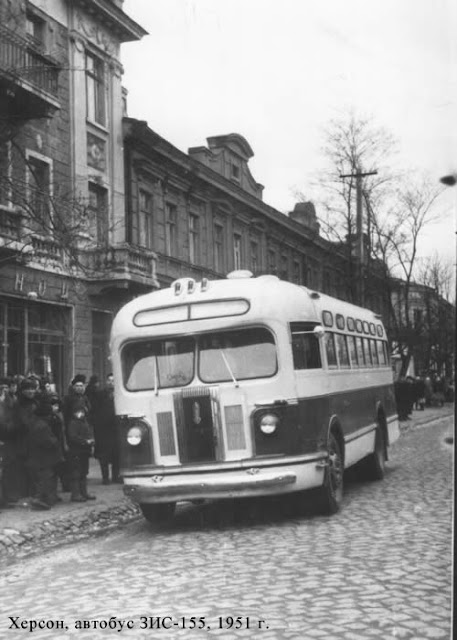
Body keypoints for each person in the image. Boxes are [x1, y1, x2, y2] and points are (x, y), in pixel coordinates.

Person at [1, 378, 38, 504]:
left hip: (34, 439)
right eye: (27, 389)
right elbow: (17, 422)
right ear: (22, 391)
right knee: (20, 468)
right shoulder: (17, 404)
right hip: (21, 440)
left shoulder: (36, 403)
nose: (30, 391)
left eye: (32, 388)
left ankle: (33, 493)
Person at [27, 396, 63, 510]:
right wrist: (56, 442)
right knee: (45, 478)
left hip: (37, 456)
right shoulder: (42, 426)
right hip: (44, 457)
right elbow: (49, 441)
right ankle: (39, 500)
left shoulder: (34, 423)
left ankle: (45, 498)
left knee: (43, 478)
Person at [91, 373, 121, 484]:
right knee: (104, 455)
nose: (111, 382)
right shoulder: (100, 394)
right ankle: (105, 477)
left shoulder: (120, 393)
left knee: (116, 454)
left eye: (113, 380)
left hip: (116, 429)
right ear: (106, 382)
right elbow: (95, 411)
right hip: (103, 430)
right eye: (109, 380)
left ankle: (116, 476)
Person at [67, 407, 96, 502]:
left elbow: (89, 432)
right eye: (78, 412)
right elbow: (73, 437)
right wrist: (85, 441)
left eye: (82, 412)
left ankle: (83, 492)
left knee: (83, 472)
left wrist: (91, 440)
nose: (80, 414)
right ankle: (76, 494)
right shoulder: (73, 423)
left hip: (84, 451)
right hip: (76, 451)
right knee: (76, 473)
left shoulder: (84, 422)